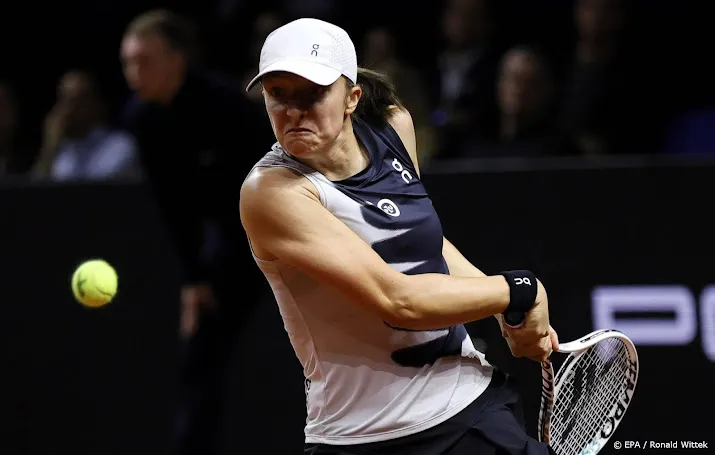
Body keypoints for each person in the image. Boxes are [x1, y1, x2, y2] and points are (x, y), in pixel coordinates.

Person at [240, 18, 560, 455]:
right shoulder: (271, 192)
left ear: (351, 97)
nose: (293, 111)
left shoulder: (393, 126)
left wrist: (504, 311)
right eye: (278, 94)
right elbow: (398, 301)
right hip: (365, 438)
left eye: (312, 94)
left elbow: (424, 244)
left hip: (468, 405)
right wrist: (519, 291)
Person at [119, 9, 274, 455]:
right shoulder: (142, 119)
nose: (134, 73)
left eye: (144, 61)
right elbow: (174, 207)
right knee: (201, 357)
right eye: (128, 62)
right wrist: (195, 279)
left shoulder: (225, 106)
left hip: (285, 227)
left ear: (177, 60)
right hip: (229, 244)